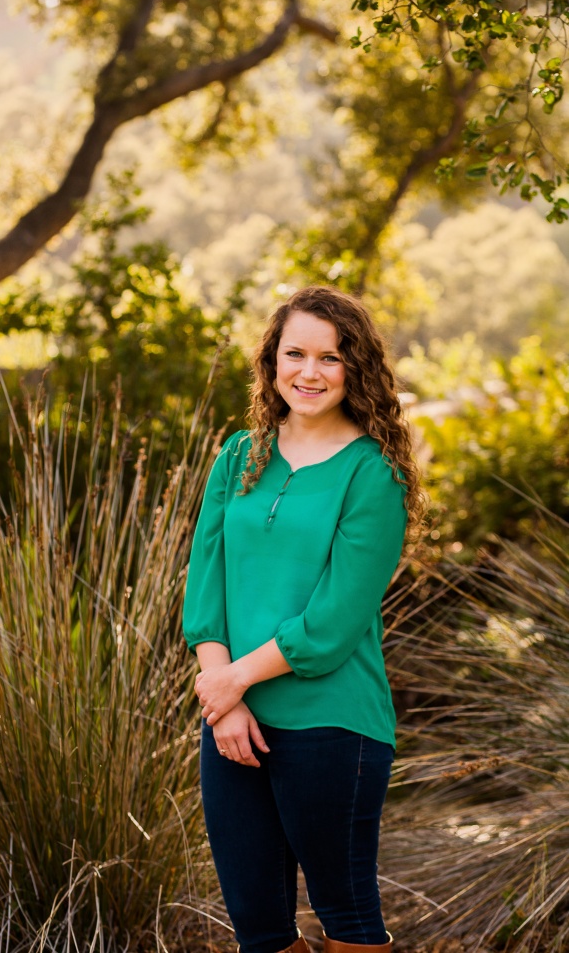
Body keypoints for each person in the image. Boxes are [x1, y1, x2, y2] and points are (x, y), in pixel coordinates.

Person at [182, 286, 424, 953]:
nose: (310, 372)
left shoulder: (373, 474)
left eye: (331, 356)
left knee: (345, 914)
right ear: (272, 359)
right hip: (231, 724)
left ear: (356, 368)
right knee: (259, 928)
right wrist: (223, 698)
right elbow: (205, 590)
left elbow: (334, 619)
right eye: (296, 353)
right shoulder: (238, 455)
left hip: (332, 724)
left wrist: (232, 681)